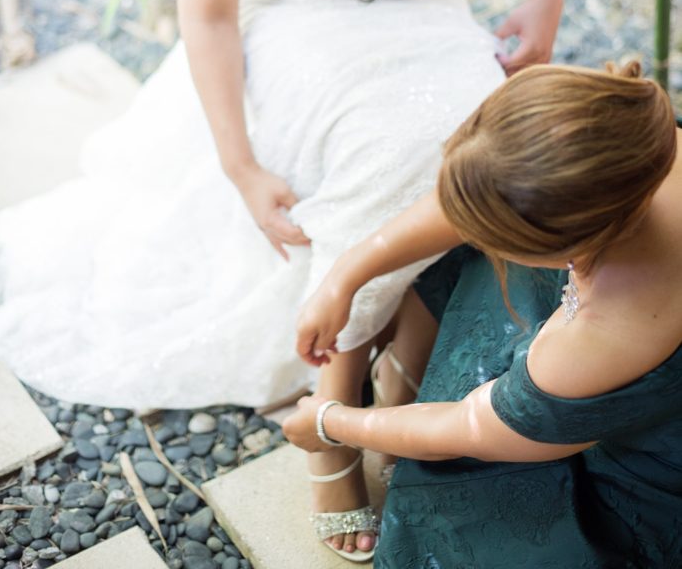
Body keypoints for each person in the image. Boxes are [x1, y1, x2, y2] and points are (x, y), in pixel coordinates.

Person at [0, 0, 561, 557]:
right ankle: (337, 403)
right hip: (291, 22)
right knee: (406, 141)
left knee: (481, 126)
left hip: (417, 4)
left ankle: (395, 347)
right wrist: (241, 164)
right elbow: (211, 14)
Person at [283, 62, 682, 567]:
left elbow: (468, 428)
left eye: (497, 239)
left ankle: (400, 375)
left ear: (563, 243)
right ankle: (401, 372)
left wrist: (331, 423)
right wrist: (348, 272)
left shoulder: (607, 333)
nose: (477, 239)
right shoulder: (620, 135)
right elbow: (485, 182)